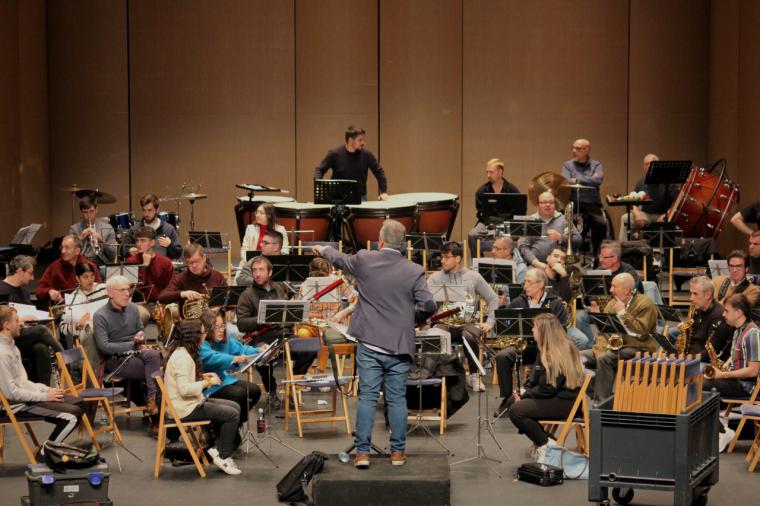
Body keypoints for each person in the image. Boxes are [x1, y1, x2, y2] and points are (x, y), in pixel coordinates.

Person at [313, 219, 437, 468]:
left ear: (380, 241)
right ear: (404, 244)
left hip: (370, 343)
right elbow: (429, 306)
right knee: (397, 398)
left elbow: (339, 259)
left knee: (368, 397)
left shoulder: (365, 260)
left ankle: (362, 454)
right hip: (399, 344)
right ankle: (398, 453)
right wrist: (410, 319)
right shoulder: (414, 270)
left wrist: (323, 249)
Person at [493, 268, 584, 417]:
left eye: (529, 282)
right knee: (503, 356)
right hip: (526, 347)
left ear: (541, 284)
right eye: (524, 282)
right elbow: (506, 324)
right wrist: (503, 308)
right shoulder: (518, 301)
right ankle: (506, 398)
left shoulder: (555, 304)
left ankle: (532, 395)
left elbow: (561, 331)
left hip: (548, 350)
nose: (525, 286)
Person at [163, 319, 242, 475]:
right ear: (194, 336)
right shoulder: (183, 358)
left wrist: (203, 377)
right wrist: (208, 383)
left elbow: (185, 382)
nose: (205, 335)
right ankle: (223, 455)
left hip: (188, 403)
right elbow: (185, 390)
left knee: (235, 407)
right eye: (203, 332)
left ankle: (217, 448)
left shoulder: (183, 353)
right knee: (231, 414)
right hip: (184, 409)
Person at [236, 256, 315, 409]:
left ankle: (292, 385)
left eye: (261, 270)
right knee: (262, 356)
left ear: (270, 272)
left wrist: (295, 314)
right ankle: (271, 391)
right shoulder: (247, 294)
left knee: (311, 347)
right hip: (262, 338)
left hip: (285, 335)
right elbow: (241, 324)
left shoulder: (279, 288)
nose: (257, 274)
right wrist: (262, 319)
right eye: (254, 270)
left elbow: (289, 317)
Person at [505, 313, 585, 463]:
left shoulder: (558, 352)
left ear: (544, 331)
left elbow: (547, 389)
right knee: (511, 401)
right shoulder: (544, 349)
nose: (532, 331)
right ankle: (545, 441)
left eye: (535, 327)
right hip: (553, 396)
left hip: (565, 402)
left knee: (517, 410)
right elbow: (534, 377)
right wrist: (523, 391)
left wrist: (526, 395)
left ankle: (545, 445)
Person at [0, 306, 83, 445]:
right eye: (16, 320)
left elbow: (23, 381)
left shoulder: (12, 347)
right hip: (16, 406)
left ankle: (51, 449)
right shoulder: (2, 353)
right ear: (7, 325)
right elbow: (12, 394)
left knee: (80, 403)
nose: (21, 323)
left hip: (25, 400)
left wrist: (46, 390)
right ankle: (47, 451)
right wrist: (45, 397)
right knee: (73, 415)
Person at [426, 242, 499, 392]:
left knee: (470, 336)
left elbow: (493, 299)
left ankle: (473, 375)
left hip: (467, 321)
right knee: (435, 335)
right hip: (443, 322)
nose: (442, 261)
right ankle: (442, 375)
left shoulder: (473, 276)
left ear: (458, 258)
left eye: (447, 257)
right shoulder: (434, 278)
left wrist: (490, 322)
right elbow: (426, 302)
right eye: (442, 257)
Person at [581, 273, 658, 401]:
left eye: (614, 286)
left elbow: (642, 333)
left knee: (605, 359)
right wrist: (599, 351)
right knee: (576, 358)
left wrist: (623, 313)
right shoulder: (612, 303)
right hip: (613, 348)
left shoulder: (645, 304)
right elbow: (603, 332)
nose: (610, 290)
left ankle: (600, 403)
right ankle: (601, 395)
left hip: (638, 348)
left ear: (627, 290)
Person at [93, 275, 162, 416]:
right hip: (115, 360)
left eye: (128, 289)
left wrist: (141, 336)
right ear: (110, 293)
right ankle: (155, 412)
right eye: (122, 290)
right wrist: (133, 344)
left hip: (136, 351)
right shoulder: (100, 315)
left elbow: (140, 329)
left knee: (155, 356)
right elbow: (104, 347)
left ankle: (152, 401)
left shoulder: (133, 308)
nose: (127, 293)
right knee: (156, 374)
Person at [702, 294, 760, 451]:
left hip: (747, 386)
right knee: (698, 379)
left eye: (726, 311)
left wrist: (723, 375)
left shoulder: (752, 334)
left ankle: (722, 431)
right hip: (736, 381)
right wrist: (721, 367)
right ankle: (718, 427)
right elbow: (734, 358)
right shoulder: (737, 331)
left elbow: (753, 371)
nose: (723, 314)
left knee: (703, 386)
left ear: (739, 312)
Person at [0, 255, 64, 384]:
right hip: (6, 338)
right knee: (41, 330)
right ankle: (66, 356)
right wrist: (20, 320)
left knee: (41, 348)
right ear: (19, 271)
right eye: (30, 273)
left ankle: (44, 392)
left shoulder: (24, 292)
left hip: (23, 334)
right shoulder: (1, 289)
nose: (32, 278)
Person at [199, 310, 263, 427]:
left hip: (224, 380)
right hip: (208, 385)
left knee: (254, 390)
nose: (221, 329)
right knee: (238, 394)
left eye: (223, 325)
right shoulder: (202, 342)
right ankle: (224, 426)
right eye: (216, 326)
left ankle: (235, 424)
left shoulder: (226, 340)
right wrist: (234, 358)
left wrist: (259, 350)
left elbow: (242, 350)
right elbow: (212, 357)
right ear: (207, 328)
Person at [314, 125, 388, 201]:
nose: (363, 143)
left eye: (363, 140)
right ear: (350, 140)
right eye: (360, 140)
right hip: (337, 198)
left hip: (360, 197)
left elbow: (379, 172)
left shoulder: (367, 155)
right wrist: (318, 186)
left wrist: (383, 192)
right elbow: (320, 169)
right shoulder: (335, 154)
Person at [561, 138, 607, 255]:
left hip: (592, 202)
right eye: (573, 148)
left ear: (587, 150)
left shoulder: (596, 165)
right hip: (573, 202)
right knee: (563, 224)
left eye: (578, 149)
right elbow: (565, 180)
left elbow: (597, 180)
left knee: (601, 224)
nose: (574, 151)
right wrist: (588, 179)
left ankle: (598, 256)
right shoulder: (567, 165)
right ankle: (568, 254)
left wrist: (576, 179)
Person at [58, 263, 107, 369]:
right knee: (89, 334)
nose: (90, 280)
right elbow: (63, 328)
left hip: (107, 327)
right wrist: (77, 325)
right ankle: (92, 377)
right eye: (85, 277)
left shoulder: (103, 289)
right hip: (86, 332)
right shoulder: (73, 298)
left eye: (92, 276)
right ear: (78, 278)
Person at [619, 154, 678, 240]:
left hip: (662, 215)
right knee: (625, 218)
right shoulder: (641, 181)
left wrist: (667, 215)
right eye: (646, 164)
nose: (648, 166)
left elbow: (676, 202)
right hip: (646, 214)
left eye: (651, 163)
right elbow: (633, 200)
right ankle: (623, 249)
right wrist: (637, 214)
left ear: (658, 166)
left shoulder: (667, 181)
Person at [468, 159, 520, 255]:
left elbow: (519, 212)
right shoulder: (482, 191)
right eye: (487, 172)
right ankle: (477, 263)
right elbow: (480, 213)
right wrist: (491, 223)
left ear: (500, 172)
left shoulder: (512, 190)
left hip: (507, 223)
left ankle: (509, 262)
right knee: (472, 235)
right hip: (486, 222)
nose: (488, 175)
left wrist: (502, 224)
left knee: (513, 237)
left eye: (491, 172)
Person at [517, 191, 581, 269]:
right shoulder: (531, 220)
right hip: (536, 265)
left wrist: (560, 237)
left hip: (561, 264)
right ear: (537, 205)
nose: (548, 205)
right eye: (544, 202)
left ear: (555, 205)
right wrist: (536, 263)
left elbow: (578, 241)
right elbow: (523, 246)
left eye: (551, 202)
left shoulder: (564, 220)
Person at [158, 243, 228, 315]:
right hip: (190, 324)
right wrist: (182, 293)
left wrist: (219, 307)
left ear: (204, 257)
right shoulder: (181, 278)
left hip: (215, 323)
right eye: (189, 262)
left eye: (197, 261)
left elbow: (229, 300)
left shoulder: (217, 276)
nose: (194, 266)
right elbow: (162, 297)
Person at [125, 226, 174, 325]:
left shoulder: (165, 262)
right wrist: (144, 266)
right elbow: (130, 290)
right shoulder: (131, 261)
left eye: (143, 241)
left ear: (152, 242)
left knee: (172, 313)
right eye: (137, 241)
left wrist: (163, 305)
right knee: (138, 314)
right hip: (138, 304)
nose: (139, 244)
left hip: (159, 304)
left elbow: (170, 288)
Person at [36, 235, 101, 304]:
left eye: (67, 248)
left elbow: (98, 289)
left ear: (77, 251)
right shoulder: (55, 267)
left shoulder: (90, 266)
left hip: (88, 306)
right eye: (62, 247)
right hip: (63, 309)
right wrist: (49, 291)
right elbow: (39, 291)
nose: (63, 251)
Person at [680, 276, 732, 362]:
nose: (691, 298)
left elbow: (710, 353)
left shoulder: (718, 316)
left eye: (695, 294)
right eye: (691, 293)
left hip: (704, 362)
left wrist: (686, 360)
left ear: (708, 295)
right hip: (693, 356)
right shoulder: (698, 309)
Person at [125, 193, 182, 260]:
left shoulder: (168, 229)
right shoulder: (135, 229)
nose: (146, 214)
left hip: (162, 268)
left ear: (157, 210)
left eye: (149, 210)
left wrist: (170, 245)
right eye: (144, 210)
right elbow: (122, 251)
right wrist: (129, 251)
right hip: (141, 268)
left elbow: (178, 254)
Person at [68, 195, 117, 265]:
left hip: (101, 264)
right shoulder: (74, 229)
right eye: (85, 212)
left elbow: (112, 255)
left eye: (91, 211)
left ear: (96, 210)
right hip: (81, 264)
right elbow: (69, 252)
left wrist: (101, 241)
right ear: (81, 212)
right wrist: (80, 238)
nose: (89, 215)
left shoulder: (108, 228)